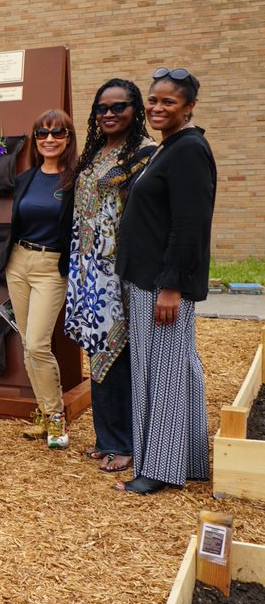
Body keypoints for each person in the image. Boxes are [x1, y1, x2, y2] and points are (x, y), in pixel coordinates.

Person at [115, 67, 215, 495]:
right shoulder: (167, 147)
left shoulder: (189, 150)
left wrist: (172, 285)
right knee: (175, 368)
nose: (157, 108)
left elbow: (190, 224)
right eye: (153, 100)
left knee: (166, 373)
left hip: (162, 283)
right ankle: (187, 458)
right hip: (146, 278)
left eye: (168, 102)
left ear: (188, 107)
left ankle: (158, 470)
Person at [65, 80, 155, 474]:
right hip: (86, 267)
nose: (109, 114)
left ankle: (128, 442)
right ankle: (106, 439)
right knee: (97, 353)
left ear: (135, 110)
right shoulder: (95, 153)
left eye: (119, 107)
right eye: (102, 108)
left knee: (118, 353)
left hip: (117, 269)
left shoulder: (145, 154)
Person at [3, 109, 77, 449]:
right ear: (35, 140)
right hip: (18, 263)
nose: (49, 139)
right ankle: (44, 414)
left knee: (37, 344)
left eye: (57, 133)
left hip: (51, 267)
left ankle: (56, 416)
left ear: (68, 138)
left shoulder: (76, 180)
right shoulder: (26, 179)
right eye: (42, 134)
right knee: (26, 345)